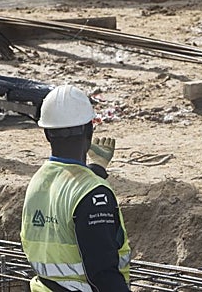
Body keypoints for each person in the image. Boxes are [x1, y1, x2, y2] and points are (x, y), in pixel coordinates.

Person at [21, 84, 131, 291]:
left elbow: (67, 200)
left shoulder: (38, 181)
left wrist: (96, 169)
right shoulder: (94, 194)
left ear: (47, 134)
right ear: (89, 130)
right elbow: (102, 274)